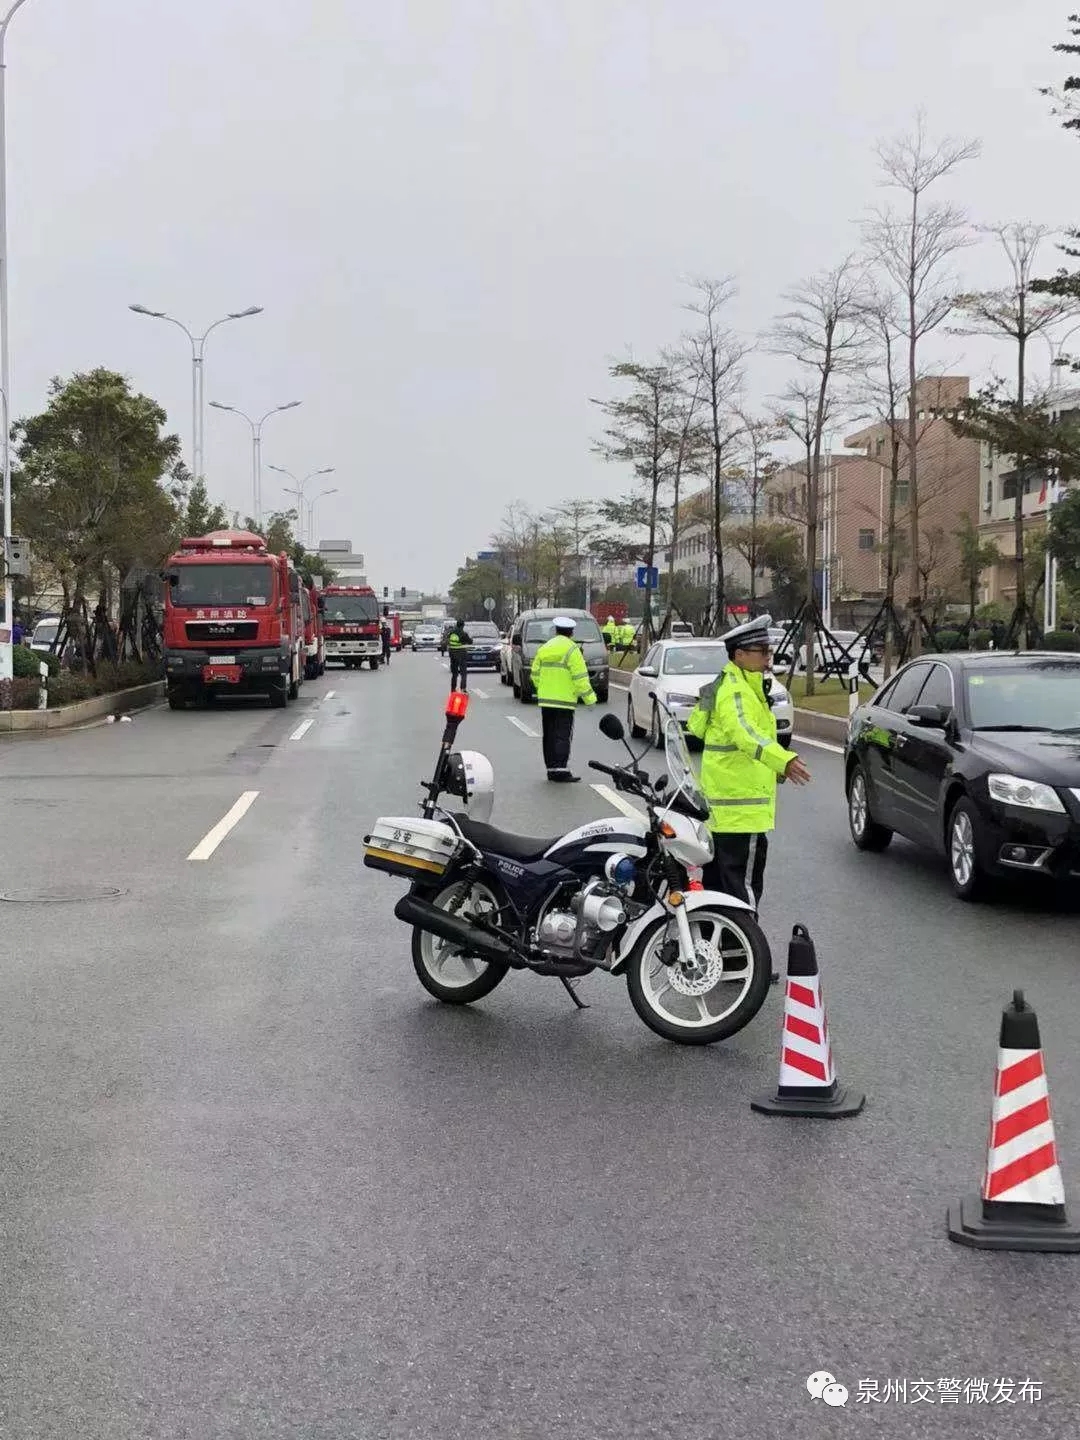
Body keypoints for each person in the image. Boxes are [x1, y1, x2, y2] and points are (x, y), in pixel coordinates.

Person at [686, 613, 811, 912]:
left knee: (719, 887)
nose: (769, 657)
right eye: (762, 651)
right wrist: (784, 760)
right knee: (742, 891)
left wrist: (708, 698)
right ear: (739, 655)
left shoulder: (726, 684)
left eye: (769, 650)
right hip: (742, 811)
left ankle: (720, 948)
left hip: (722, 808)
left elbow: (697, 727)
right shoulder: (737, 690)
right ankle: (746, 950)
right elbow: (747, 735)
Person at [531, 616, 596, 782]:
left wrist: (544, 689)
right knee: (562, 735)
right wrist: (590, 699)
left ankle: (551, 768)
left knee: (549, 734)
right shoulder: (572, 649)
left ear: (556, 630)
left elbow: (535, 674)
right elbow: (580, 677)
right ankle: (561, 769)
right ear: (571, 632)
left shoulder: (544, 648)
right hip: (564, 701)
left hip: (546, 700)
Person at [447, 618, 472, 691]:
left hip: (452, 654)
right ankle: (463, 688)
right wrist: (471, 639)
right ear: (462, 626)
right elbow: (470, 642)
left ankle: (453, 689)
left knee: (454, 673)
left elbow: (448, 640)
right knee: (463, 673)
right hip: (461, 655)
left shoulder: (451, 633)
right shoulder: (463, 634)